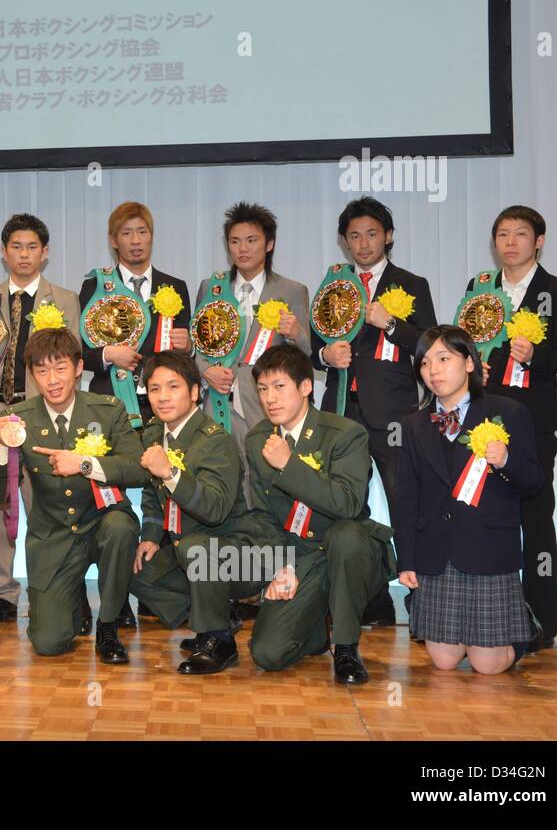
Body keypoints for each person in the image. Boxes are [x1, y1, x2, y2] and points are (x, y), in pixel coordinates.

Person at [312, 197, 437, 628]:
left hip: (395, 414)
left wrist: (391, 324)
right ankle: (366, 597)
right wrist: (326, 355)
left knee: (407, 503)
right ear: (344, 243)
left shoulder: (411, 283)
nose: (362, 243)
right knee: (346, 506)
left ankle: (422, 605)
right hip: (342, 411)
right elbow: (314, 348)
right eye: (353, 236)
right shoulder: (335, 286)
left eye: (371, 233)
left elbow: (428, 347)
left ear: (388, 236)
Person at [0, 327, 147, 663]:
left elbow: (137, 469)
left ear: (78, 368)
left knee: (120, 527)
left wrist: (86, 464)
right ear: (32, 375)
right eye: (42, 371)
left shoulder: (109, 409)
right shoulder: (18, 421)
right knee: (48, 643)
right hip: (54, 537)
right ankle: (71, 598)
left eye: (60, 368)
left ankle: (108, 623)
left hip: (103, 522)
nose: (53, 380)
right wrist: (1, 447)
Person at [466, 206, 557, 650]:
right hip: (483, 421)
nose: (510, 242)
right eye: (502, 234)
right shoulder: (479, 291)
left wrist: (535, 355)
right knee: (482, 514)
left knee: (535, 520)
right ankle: (484, 614)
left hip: (532, 423)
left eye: (520, 234)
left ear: (540, 240)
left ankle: (540, 620)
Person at [394, 326, 543, 674]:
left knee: (486, 666)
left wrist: (506, 460)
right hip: (437, 552)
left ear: (470, 363)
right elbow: (405, 497)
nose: (433, 370)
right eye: (425, 363)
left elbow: (534, 482)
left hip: (487, 548)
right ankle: (473, 634)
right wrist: (407, 560)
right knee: (444, 662)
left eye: (444, 359)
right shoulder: (413, 425)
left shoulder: (508, 411)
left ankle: (521, 626)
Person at [242, 346, 395, 684]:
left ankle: (345, 646)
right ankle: (314, 627)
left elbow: (348, 504)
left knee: (346, 537)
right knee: (267, 653)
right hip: (302, 555)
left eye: (280, 387)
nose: (270, 399)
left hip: (349, 551)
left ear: (306, 387)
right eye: (263, 389)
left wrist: (289, 465)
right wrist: (280, 565)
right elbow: (262, 514)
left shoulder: (345, 433)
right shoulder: (258, 440)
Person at [127, 351, 271, 674]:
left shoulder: (215, 440)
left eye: (173, 387)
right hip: (192, 551)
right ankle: (220, 614)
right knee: (131, 566)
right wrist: (150, 536)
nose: (163, 397)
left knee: (197, 548)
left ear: (194, 392)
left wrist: (171, 474)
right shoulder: (154, 434)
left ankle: (219, 639)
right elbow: (152, 496)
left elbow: (216, 509)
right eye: (154, 389)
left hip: (239, 554)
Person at [0, 213, 82, 625]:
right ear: (3, 252)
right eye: (15, 246)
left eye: (32, 247)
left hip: (43, 414)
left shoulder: (66, 300)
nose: (23, 254)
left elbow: (70, 363)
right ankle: (4, 592)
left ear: (45, 253)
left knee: (46, 506)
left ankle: (48, 589)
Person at [195, 202, 310, 495]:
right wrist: (207, 371)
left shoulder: (292, 291)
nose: (242, 249)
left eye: (251, 240)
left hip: (266, 403)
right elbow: (199, 349)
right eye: (234, 241)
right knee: (219, 477)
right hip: (218, 401)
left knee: (265, 482)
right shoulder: (212, 287)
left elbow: (307, 356)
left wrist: (296, 334)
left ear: (269, 244)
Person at [78, 201, 192, 424]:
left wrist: (189, 348)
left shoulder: (175, 286)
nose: (136, 240)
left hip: (162, 405)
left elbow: (183, 354)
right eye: (127, 233)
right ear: (113, 240)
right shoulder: (95, 286)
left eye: (142, 231)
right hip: (109, 404)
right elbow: (80, 353)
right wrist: (108, 354)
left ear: (151, 236)